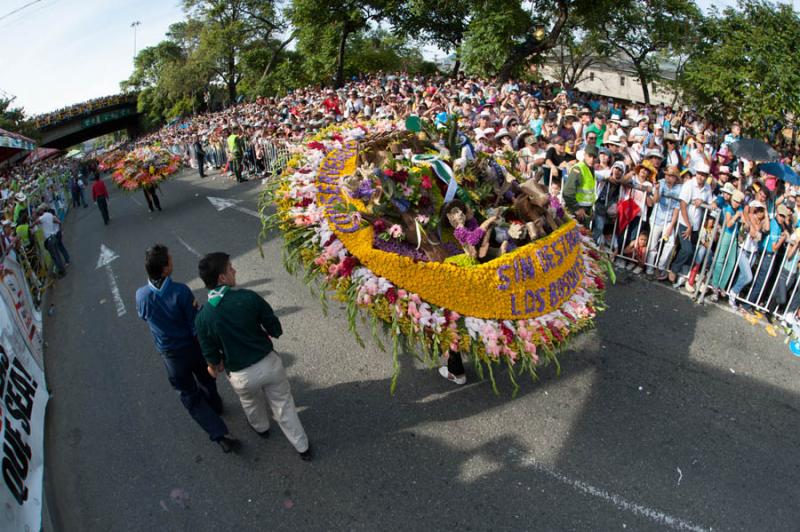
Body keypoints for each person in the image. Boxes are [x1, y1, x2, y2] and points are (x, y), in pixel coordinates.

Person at [195, 252, 312, 461]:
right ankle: (302, 446)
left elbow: (211, 356)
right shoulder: (247, 297)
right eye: (230, 268)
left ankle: (262, 428)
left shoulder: (203, 317)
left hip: (240, 375)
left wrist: (214, 365)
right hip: (268, 363)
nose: (234, 270)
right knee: (283, 404)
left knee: (250, 402)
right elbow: (275, 328)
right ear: (222, 278)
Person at [136, 245, 239, 453]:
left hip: (171, 356)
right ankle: (215, 404)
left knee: (190, 396)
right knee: (207, 379)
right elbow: (195, 325)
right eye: (170, 260)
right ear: (165, 269)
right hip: (192, 348)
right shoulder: (180, 291)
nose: (172, 261)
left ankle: (219, 434)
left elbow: (143, 316)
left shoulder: (141, 295)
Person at [562, 144, 598, 227]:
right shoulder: (578, 168)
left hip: (585, 210)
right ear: (584, 155)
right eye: (589, 156)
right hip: (576, 210)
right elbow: (567, 192)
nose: (592, 159)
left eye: (594, 157)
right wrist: (577, 208)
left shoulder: (591, 169)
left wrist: (590, 210)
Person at [34, 205, 69, 277]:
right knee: (57, 253)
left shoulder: (43, 217)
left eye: (39, 211)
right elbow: (58, 222)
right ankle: (62, 267)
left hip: (52, 237)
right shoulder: (49, 215)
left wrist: (60, 231)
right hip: (54, 236)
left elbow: (35, 223)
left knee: (56, 255)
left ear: (42, 211)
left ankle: (62, 269)